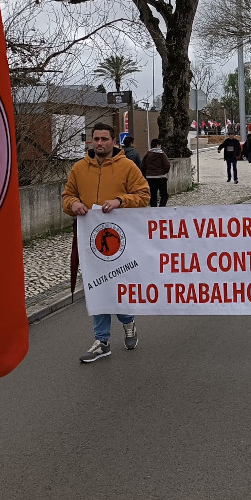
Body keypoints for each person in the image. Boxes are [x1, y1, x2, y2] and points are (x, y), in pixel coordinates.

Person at [62, 123, 150, 363]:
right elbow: (67, 196)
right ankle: (101, 341)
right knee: (96, 287)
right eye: (96, 139)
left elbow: (144, 195)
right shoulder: (79, 169)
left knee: (116, 287)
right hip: (91, 242)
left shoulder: (128, 167)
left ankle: (128, 321)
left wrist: (121, 201)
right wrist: (73, 205)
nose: (100, 143)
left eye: (104, 139)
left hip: (121, 242)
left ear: (114, 141)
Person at [141, 138, 171, 207]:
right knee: (164, 195)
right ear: (158, 145)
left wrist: (146, 174)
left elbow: (143, 165)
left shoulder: (147, 154)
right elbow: (167, 165)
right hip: (161, 177)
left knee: (152, 194)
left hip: (150, 178)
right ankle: (161, 207)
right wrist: (164, 172)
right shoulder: (162, 155)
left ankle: (154, 208)